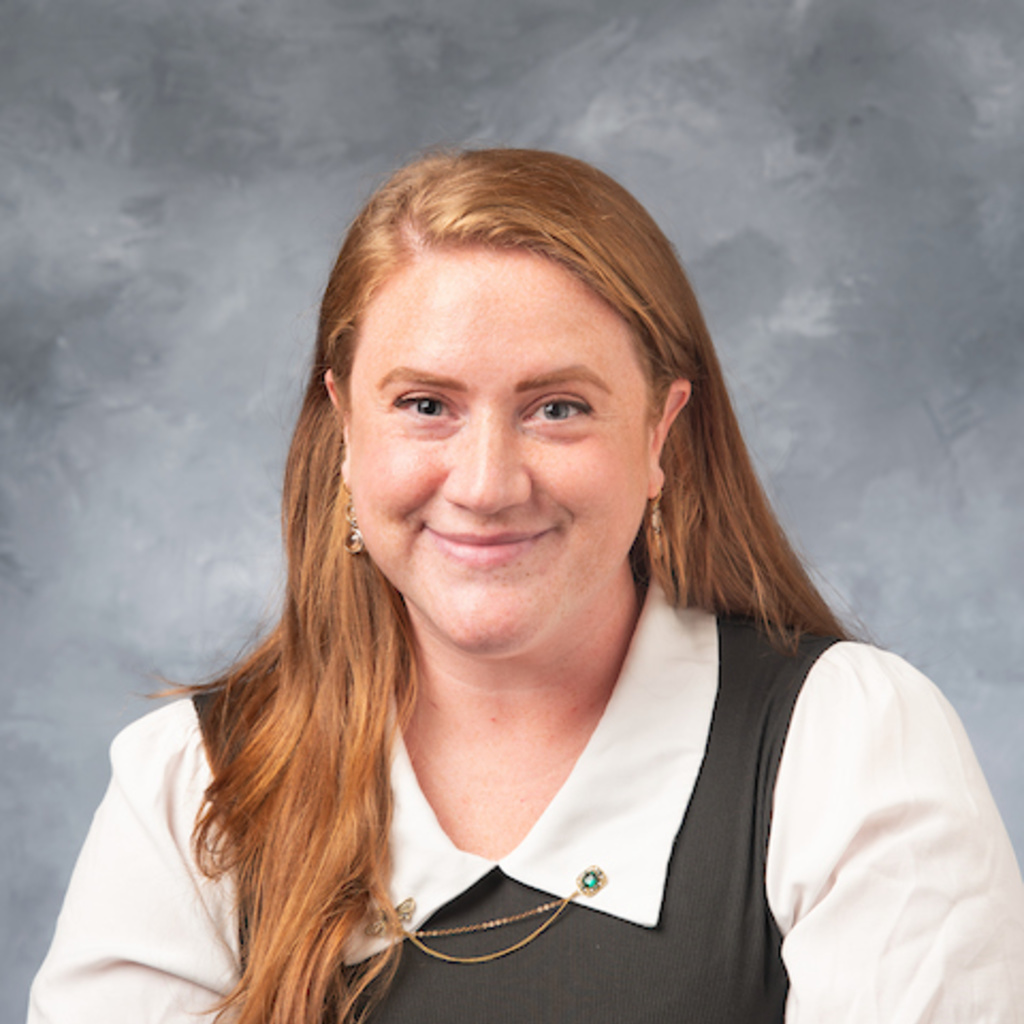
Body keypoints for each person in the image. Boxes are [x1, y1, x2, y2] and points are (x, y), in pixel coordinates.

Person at [28, 148, 1024, 1024]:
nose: (486, 483)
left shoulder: (848, 745)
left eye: (557, 407)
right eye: (426, 404)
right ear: (343, 432)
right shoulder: (196, 783)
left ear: (658, 435)